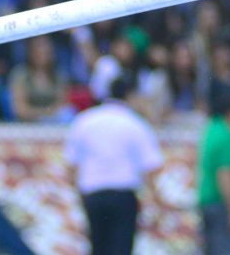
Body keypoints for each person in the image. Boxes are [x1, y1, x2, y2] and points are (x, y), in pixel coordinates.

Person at [63, 76, 163, 255]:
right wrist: (155, 202)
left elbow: (71, 165)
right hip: (122, 194)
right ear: (131, 96)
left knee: (98, 247)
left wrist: (78, 195)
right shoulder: (135, 123)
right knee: (121, 249)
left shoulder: (85, 120)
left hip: (93, 193)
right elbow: (151, 166)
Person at [196, 88, 230, 255]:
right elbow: (225, 176)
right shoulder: (228, 136)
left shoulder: (214, 128)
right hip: (220, 203)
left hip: (208, 201)